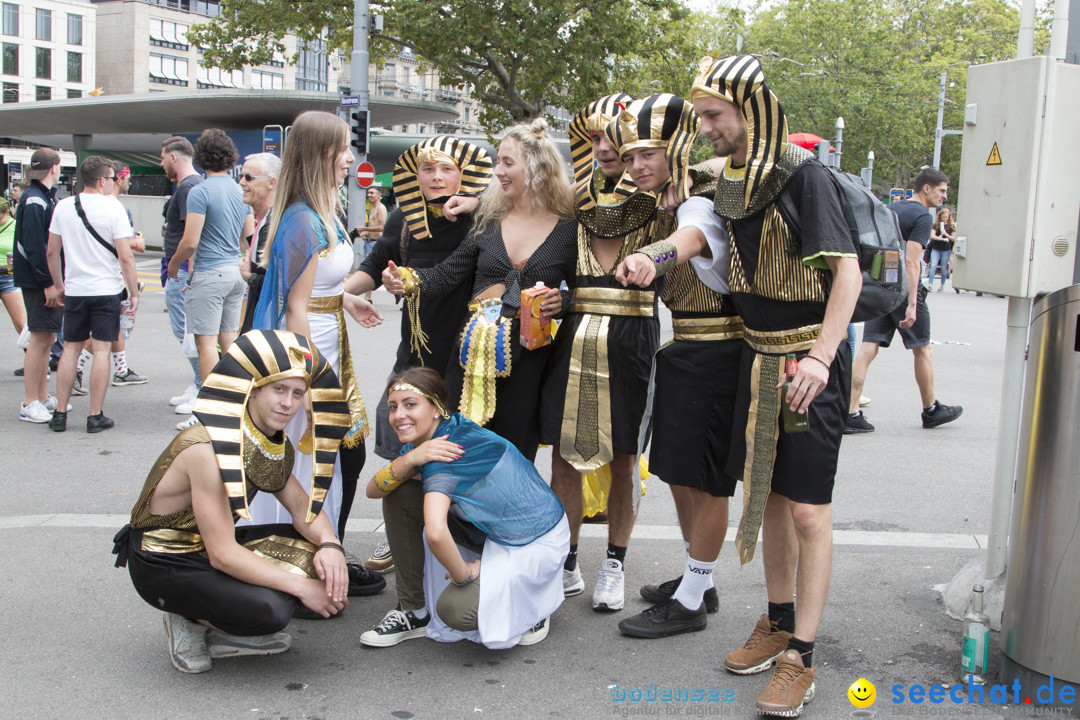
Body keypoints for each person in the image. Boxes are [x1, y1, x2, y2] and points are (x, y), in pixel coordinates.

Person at [665, 55, 862, 717]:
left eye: (715, 115)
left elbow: (848, 275)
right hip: (759, 357)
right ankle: (777, 619)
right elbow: (690, 218)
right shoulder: (729, 180)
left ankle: (800, 654)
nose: (706, 128)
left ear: (752, 110)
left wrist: (822, 359)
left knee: (807, 510)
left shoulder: (805, 178)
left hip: (807, 360)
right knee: (770, 498)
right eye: (701, 116)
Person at [111, 330, 353, 674]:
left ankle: (223, 612)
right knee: (272, 612)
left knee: (320, 562)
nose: (288, 403)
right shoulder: (207, 449)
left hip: (207, 547)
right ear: (252, 389)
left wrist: (332, 547)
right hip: (163, 561)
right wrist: (302, 588)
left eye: (298, 393)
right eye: (279, 389)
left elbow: (303, 509)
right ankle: (188, 619)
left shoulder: (267, 440)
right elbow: (223, 554)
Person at [601, 94, 743, 638]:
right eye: (630, 154)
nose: (637, 164)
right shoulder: (663, 198)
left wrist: (650, 257)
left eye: (649, 153)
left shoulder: (698, 196)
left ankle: (691, 600)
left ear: (676, 149)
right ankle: (697, 580)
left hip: (718, 350)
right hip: (687, 348)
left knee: (705, 479)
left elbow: (694, 237)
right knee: (679, 472)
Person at [538, 93, 670, 612]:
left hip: (633, 339)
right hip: (571, 338)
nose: (605, 147)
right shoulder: (570, 199)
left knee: (624, 457)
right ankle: (567, 560)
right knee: (565, 458)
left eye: (615, 138)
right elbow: (547, 262)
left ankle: (614, 562)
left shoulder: (661, 203)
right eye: (595, 137)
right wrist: (556, 296)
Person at [382, 117, 576, 460]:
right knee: (461, 448)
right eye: (498, 161)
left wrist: (561, 301)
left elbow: (578, 290)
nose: (498, 171)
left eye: (507, 162)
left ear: (536, 167)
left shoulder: (568, 229)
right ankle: (453, 516)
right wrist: (407, 279)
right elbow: (445, 275)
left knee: (514, 452)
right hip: (472, 352)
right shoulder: (489, 221)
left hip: (529, 357)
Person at [343, 136, 492, 577]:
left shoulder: (483, 220)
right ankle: (401, 533)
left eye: (445, 169)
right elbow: (373, 266)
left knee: (458, 448)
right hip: (416, 349)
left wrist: (476, 203)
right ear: (415, 176)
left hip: (467, 353)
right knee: (400, 439)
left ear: (463, 176)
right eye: (428, 169)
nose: (436, 177)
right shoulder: (402, 219)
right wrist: (340, 294)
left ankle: (458, 537)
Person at [248, 110, 384, 568]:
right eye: (343, 149)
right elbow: (294, 306)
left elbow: (313, 288)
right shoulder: (303, 219)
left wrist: (346, 300)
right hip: (310, 355)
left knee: (340, 454)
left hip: (328, 349)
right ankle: (310, 555)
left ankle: (326, 551)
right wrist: (302, 382)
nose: (349, 158)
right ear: (322, 154)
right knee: (318, 458)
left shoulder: (320, 210)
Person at [363, 367, 568, 648]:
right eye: (393, 407)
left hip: (534, 542)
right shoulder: (436, 437)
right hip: (493, 530)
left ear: (436, 409)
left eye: (410, 405)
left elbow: (435, 533)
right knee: (399, 493)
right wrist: (410, 461)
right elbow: (374, 490)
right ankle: (414, 611)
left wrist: (466, 575)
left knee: (455, 611)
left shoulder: (446, 451)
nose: (399, 416)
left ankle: (535, 607)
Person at [846, 168, 963, 434]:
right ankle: (931, 409)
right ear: (926, 189)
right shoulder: (922, 216)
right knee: (923, 348)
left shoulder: (892, 209)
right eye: (942, 190)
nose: (944, 196)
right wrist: (912, 301)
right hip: (902, 286)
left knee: (868, 348)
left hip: (880, 281)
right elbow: (911, 260)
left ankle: (850, 411)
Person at [44, 155, 140, 432]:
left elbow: (52, 251)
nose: (113, 183)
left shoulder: (63, 206)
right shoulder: (114, 208)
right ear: (101, 180)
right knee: (101, 349)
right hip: (106, 289)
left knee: (71, 349)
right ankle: (94, 416)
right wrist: (133, 292)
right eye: (111, 178)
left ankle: (60, 414)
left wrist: (59, 284)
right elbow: (125, 256)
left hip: (75, 289)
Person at [167, 128, 254, 430]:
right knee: (228, 339)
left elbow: (190, 241)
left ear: (201, 157)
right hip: (235, 272)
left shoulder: (200, 192)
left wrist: (173, 264)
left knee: (206, 344)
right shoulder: (239, 190)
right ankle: (234, 403)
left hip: (209, 272)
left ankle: (207, 410)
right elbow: (248, 238)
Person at [13, 148, 63, 423]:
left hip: (39, 278)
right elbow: (35, 246)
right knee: (40, 338)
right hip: (37, 280)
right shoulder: (36, 201)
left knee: (47, 337)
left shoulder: (38, 197)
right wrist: (48, 282)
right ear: (55, 168)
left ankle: (40, 396)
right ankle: (30, 400)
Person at [159, 137, 204, 416]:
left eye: (162, 158)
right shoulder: (191, 185)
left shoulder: (188, 187)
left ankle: (202, 385)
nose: (161, 163)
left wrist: (185, 273)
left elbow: (192, 236)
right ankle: (198, 383)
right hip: (185, 272)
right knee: (188, 334)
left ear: (174, 157)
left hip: (184, 273)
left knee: (189, 333)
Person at [104, 162, 149, 388]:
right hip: (106, 280)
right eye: (127, 177)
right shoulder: (113, 208)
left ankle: (121, 370)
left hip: (91, 279)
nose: (129, 182)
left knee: (113, 327)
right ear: (117, 179)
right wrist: (135, 242)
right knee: (102, 332)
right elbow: (121, 248)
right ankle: (77, 369)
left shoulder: (81, 205)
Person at [238, 152, 281, 334]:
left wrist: (249, 276)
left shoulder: (273, 225)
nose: (241, 182)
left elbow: (280, 287)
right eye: (241, 176)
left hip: (267, 330)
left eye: (249, 177)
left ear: (271, 183)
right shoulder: (263, 221)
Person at [0, 197, 27, 355]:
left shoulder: (15, 226)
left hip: (9, 277)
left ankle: (35, 362)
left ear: (5, 213)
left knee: (21, 324)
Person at [927, 207, 955, 292]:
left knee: (943, 268)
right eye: (943, 217)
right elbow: (932, 236)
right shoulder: (936, 225)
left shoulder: (951, 226)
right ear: (940, 217)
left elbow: (954, 238)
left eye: (946, 217)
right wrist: (941, 238)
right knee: (933, 266)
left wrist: (945, 234)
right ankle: (930, 284)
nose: (945, 219)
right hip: (936, 248)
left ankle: (942, 285)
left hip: (946, 249)